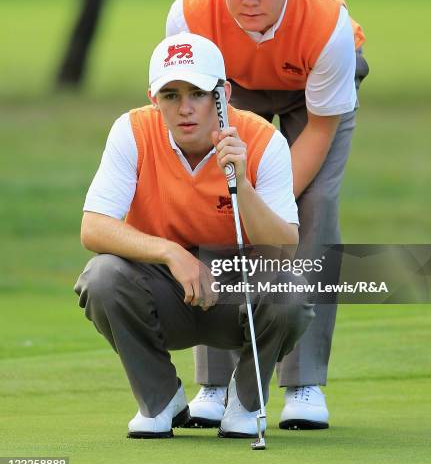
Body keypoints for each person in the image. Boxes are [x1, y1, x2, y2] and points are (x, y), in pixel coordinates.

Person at [166, 0, 369, 430]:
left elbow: (320, 129)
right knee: (215, 198)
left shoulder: (328, 25)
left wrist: (264, 203)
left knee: (314, 206)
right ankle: (213, 383)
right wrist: (234, 195)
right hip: (229, 89)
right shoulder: (190, 13)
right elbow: (185, 103)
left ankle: (304, 383)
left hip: (314, 96)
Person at [74, 33, 314, 439]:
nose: (184, 109)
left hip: (239, 295)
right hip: (165, 290)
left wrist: (241, 182)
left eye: (198, 93)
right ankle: (161, 398)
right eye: (170, 95)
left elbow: (284, 244)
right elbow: (93, 226)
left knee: (291, 290)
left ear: (223, 94)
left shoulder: (261, 140)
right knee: (101, 278)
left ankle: (246, 400)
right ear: (153, 98)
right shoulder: (132, 131)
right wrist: (171, 253)